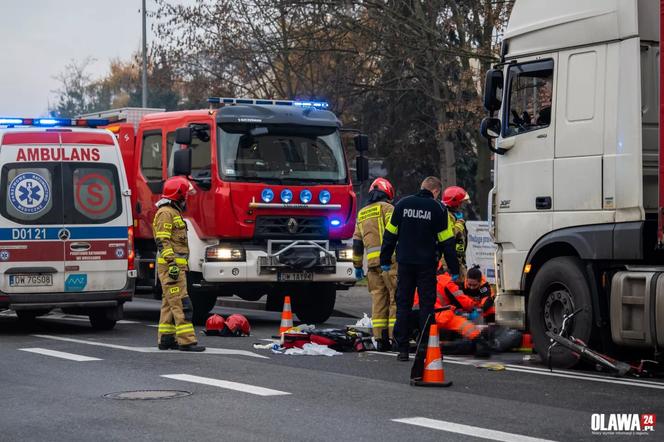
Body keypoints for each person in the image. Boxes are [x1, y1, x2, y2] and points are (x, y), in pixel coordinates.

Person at [380, 176, 459, 361]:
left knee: (403, 305)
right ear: (436, 191)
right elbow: (447, 242)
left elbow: (390, 234)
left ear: (421, 187)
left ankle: (402, 349)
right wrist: (454, 269)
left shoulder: (402, 204)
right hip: (426, 265)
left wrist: (385, 258)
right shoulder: (438, 208)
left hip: (405, 263)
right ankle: (424, 347)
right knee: (426, 306)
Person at [153, 176, 205, 352]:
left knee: (169, 304)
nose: (187, 199)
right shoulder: (166, 213)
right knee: (182, 304)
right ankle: (187, 341)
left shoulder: (173, 212)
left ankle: (166, 339)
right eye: (185, 195)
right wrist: (172, 264)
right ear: (179, 194)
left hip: (176, 267)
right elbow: (163, 241)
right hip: (172, 268)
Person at [352, 177, 397, 351]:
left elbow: (357, 243)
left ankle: (380, 339)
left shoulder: (362, 213)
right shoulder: (388, 209)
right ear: (388, 193)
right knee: (395, 300)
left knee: (378, 301)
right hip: (391, 262)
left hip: (372, 266)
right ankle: (396, 338)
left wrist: (357, 266)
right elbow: (395, 233)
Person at [413, 271, 491, 357]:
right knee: (464, 324)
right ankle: (481, 343)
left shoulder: (424, 280)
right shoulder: (446, 281)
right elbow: (461, 299)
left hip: (420, 316)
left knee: (428, 338)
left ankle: (420, 344)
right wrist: (472, 308)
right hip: (438, 314)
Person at [442, 186, 470, 279]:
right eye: (462, 203)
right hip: (448, 263)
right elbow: (449, 236)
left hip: (459, 259)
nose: (463, 205)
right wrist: (459, 223)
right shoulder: (446, 215)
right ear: (455, 203)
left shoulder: (455, 215)